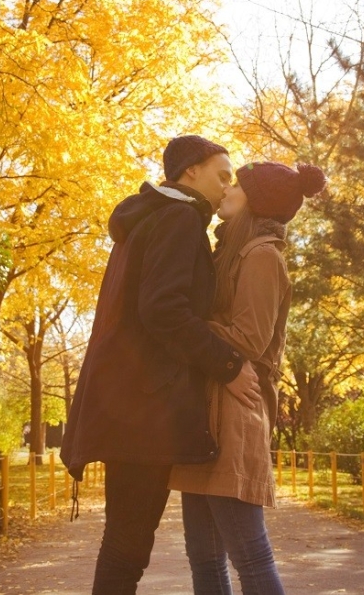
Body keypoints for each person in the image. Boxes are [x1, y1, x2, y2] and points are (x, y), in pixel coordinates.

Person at [60, 135, 261, 595]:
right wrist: (229, 365)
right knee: (127, 548)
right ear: (191, 171)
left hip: (129, 401)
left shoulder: (150, 218)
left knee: (124, 544)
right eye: (222, 174)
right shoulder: (178, 218)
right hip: (143, 409)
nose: (226, 186)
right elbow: (163, 311)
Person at [169, 160, 327, 595]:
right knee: (203, 559)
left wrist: (185, 325)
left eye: (237, 183)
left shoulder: (262, 257)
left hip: (235, 414)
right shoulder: (230, 252)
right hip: (205, 414)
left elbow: (250, 339)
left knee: (251, 558)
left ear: (256, 201)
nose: (228, 189)